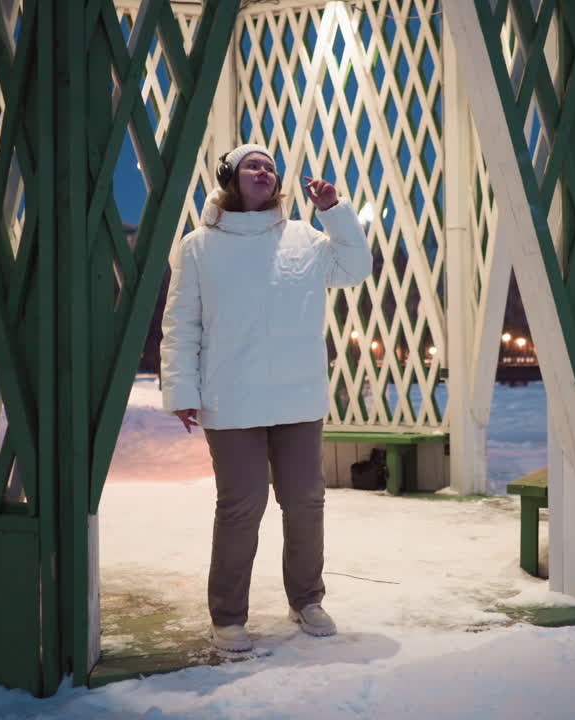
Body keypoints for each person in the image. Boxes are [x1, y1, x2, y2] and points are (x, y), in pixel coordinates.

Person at [159, 143, 371, 652]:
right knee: (241, 505)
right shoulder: (197, 246)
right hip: (231, 398)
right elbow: (180, 324)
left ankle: (306, 599)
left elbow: (355, 267)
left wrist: (333, 212)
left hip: (297, 396)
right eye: (253, 164)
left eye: (271, 166)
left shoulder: (304, 236)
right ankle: (228, 614)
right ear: (230, 178)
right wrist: (181, 390)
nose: (265, 171)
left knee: (305, 501)